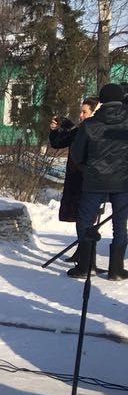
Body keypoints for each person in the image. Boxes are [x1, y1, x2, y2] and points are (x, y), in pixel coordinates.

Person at [68, 83, 128, 280]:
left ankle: (86, 265)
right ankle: (116, 269)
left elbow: (76, 154)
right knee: (120, 224)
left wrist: (88, 169)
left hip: (94, 180)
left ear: (101, 101)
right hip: (123, 181)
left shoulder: (89, 125)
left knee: (85, 221)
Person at [49, 98, 96, 229]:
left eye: (84, 112)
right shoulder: (79, 130)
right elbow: (58, 143)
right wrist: (55, 130)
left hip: (88, 181)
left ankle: (86, 246)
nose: (81, 116)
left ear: (93, 112)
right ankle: (84, 246)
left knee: (86, 216)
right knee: (79, 216)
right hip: (75, 180)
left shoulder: (97, 131)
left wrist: (71, 128)